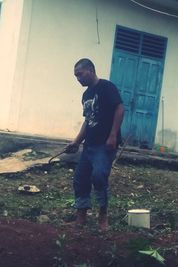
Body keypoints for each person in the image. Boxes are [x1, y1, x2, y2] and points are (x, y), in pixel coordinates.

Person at [66, 58, 124, 231]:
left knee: (99, 177)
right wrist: (77, 142)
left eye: (80, 74)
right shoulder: (86, 95)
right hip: (89, 145)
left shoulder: (107, 87)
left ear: (90, 70)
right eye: (76, 76)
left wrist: (113, 135)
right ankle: (81, 218)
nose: (78, 79)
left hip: (104, 145)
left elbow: (120, 108)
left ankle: (103, 216)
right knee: (80, 179)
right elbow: (88, 120)